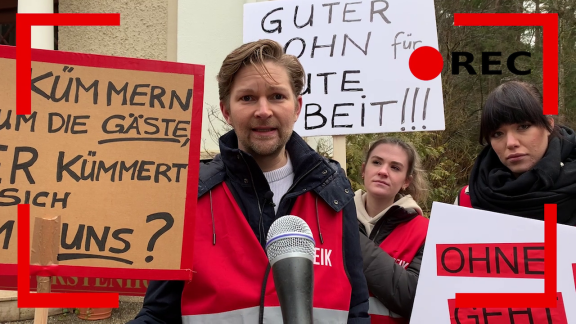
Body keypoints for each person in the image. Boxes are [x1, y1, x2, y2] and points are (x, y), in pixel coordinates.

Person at [129, 39, 370, 323]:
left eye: (277, 96)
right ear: (226, 110)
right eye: (247, 98)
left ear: (297, 107)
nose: (264, 110)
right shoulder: (190, 197)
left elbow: (356, 309)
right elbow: (158, 313)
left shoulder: (334, 193)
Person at [455, 81, 576, 225]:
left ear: (549, 125)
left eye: (523, 127)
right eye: (498, 134)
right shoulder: (468, 200)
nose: (511, 143)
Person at [354, 137, 430, 322]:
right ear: (364, 170)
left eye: (395, 167)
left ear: (406, 181)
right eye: (377, 162)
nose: (382, 171)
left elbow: (415, 298)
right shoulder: (328, 220)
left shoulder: (425, 232)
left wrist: (347, 233)